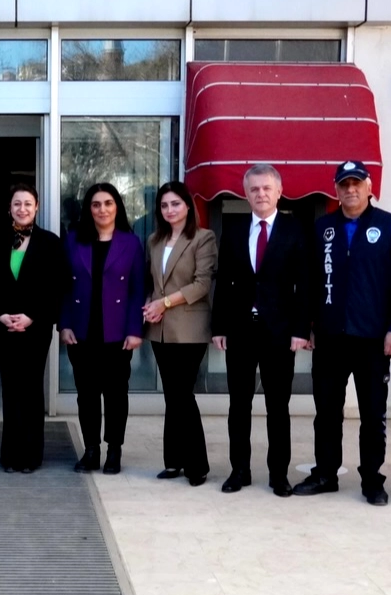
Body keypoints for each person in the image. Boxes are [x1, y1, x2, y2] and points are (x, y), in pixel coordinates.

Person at [293, 162, 391, 505]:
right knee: (327, 412)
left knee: (373, 414)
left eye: (356, 183)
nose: (350, 190)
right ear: (336, 189)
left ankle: (372, 480)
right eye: (344, 184)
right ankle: (325, 473)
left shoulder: (389, 225)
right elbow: (309, 282)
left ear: (369, 186)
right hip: (330, 337)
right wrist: (308, 326)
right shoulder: (323, 227)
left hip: (373, 339)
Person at [211, 165, 310, 496]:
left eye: (267, 188)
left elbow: (304, 285)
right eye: (254, 189)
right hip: (240, 330)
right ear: (246, 193)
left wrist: (301, 329)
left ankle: (278, 474)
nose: (261, 194)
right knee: (238, 406)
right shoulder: (235, 229)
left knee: (278, 407)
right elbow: (224, 280)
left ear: (279, 192)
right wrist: (219, 326)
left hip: (279, 332)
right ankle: (239, 470)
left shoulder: (296, 229)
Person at [0, 182, 68, 472]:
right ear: (9, 208)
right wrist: (0, 315)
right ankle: (10, 455)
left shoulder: (51, 242)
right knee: (10, 389)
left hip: (35, 328)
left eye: (28, 203)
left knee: (31, 389)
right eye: (17, 203)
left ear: (36, 207)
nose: (22, 208)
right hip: (3, 328)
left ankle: (31, 456)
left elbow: (58, 287)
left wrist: (32, 316)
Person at [60, 183, 145, 475]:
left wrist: (135, 329)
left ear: (117, 207)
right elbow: (64, 287)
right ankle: (91, 450)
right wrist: (65, 324)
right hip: (81, 330)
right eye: (96, 204)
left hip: (117, 333)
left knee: (116, 394)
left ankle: (114, 450)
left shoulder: (130, 243)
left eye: (108, 203)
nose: (102, 209)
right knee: (87, 394)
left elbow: (137, 290)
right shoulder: (74, 240)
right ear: (89, 209)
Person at [143, 181, 217, 487]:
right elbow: (152, 282)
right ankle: (173, 461)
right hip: (159, 328)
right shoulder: (154, 240)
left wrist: (164, 303)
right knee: (172, 395)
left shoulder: (203, 238)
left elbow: (202, 284)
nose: (170, 210)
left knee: (182, 395)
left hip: (189, 328)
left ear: (188, 205)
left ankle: (197, 465)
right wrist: (150, 304)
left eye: (175, 203)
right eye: (164, 205)